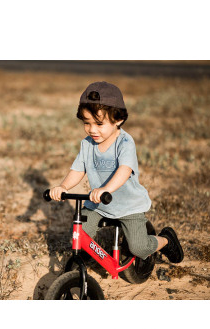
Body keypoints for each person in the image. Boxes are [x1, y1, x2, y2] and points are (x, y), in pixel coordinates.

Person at [49, 81, 184, 263]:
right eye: (87, 123)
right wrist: (63, 186)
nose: (92, 130)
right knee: (79, 234)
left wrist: (106, 189)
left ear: (118, 119)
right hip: (99, 204)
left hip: (128, 205)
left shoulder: (125, 143)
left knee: (139, 247)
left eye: (99, 123)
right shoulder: (87, 144)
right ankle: (88, 259)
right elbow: (77, 169)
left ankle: (166, 240)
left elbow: (124, 170)